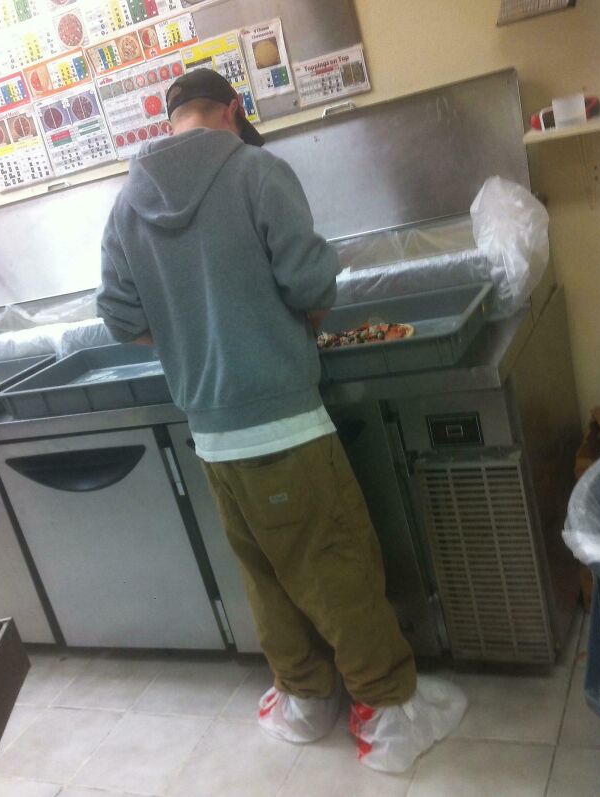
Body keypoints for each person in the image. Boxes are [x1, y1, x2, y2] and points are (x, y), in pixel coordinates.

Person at [96, 68, 466, 773]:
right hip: (285, 426)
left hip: (213, 436)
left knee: (266, 574)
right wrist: (282, 330)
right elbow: (310, 283)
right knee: (337, 567)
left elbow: (120, 317)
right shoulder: (257, 171)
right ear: (234, 110)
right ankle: (389, 714)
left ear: (171, 119)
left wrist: (187, 341)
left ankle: (303, 699)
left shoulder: (126, 206)